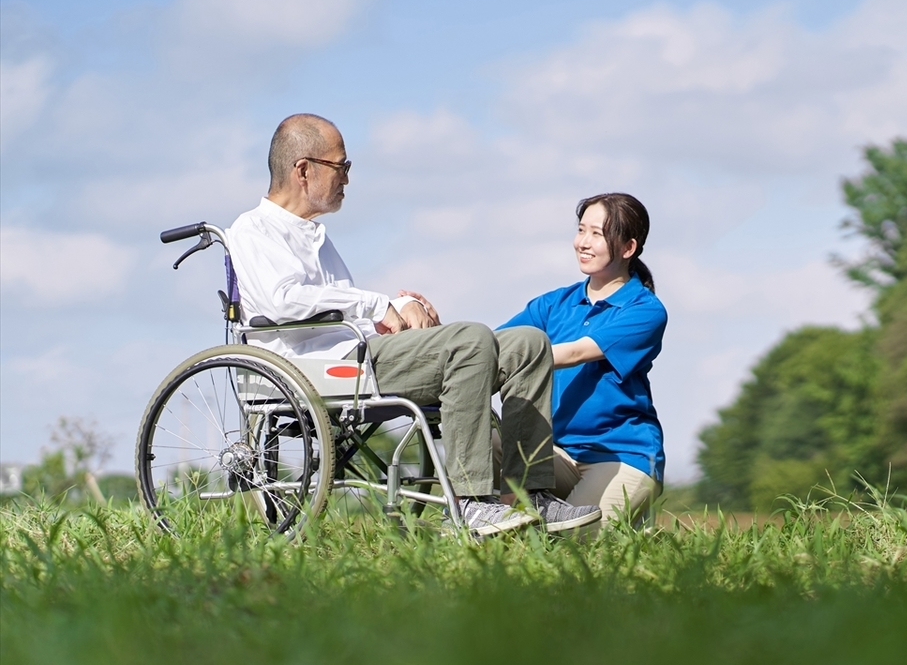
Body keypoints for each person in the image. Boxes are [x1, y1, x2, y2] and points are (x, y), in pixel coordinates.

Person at [226, 113, 600, 536]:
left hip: (359, 350)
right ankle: (471, 502)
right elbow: (283, 301)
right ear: (303, 169)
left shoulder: (314, 234)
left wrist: (402, 306)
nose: (347, 178)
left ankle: (530, 494)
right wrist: (378, 304)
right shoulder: (253, 230)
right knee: (470, 339)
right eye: (341, 166)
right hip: (321, 367)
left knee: (528, 344)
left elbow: (347, 309)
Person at [498, 193, 667, 525]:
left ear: (627, 248)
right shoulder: (552, 305)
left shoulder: (645, 311)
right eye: (581, 230)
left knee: (567, 540)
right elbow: (495, 347)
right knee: (489, 439)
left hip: (620, 457)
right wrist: (440, 335)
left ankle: (635, 529)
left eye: (598, 234)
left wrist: (521, 357)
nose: (583, 243)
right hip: (554, 454)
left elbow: (574, 353)